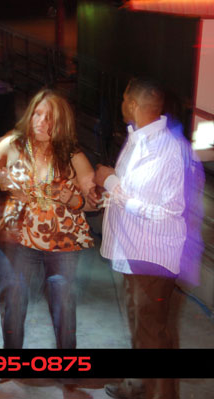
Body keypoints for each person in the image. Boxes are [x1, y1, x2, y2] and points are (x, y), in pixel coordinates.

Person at [91, 78, 203, 399]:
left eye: (125, 98)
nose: (121, 103)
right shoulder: (138, 139)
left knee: (154, 333)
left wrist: (111, 184)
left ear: (136, 105)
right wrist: (106, 192)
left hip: (154, 258)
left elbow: (168, 210)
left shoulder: (170, 149)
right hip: (132, 250)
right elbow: (132, 190)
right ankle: (138, 385)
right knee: (140, 325)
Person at [0, 89, 95, 350]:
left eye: (49, 118)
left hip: (61, 241)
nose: (40, 121)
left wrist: (73, 199)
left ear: (61, 124)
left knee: (62, 299)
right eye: (37, 114)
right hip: (16, 237)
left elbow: (91, 202)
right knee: (14, 297)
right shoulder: (13, 144)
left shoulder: (72, 156)